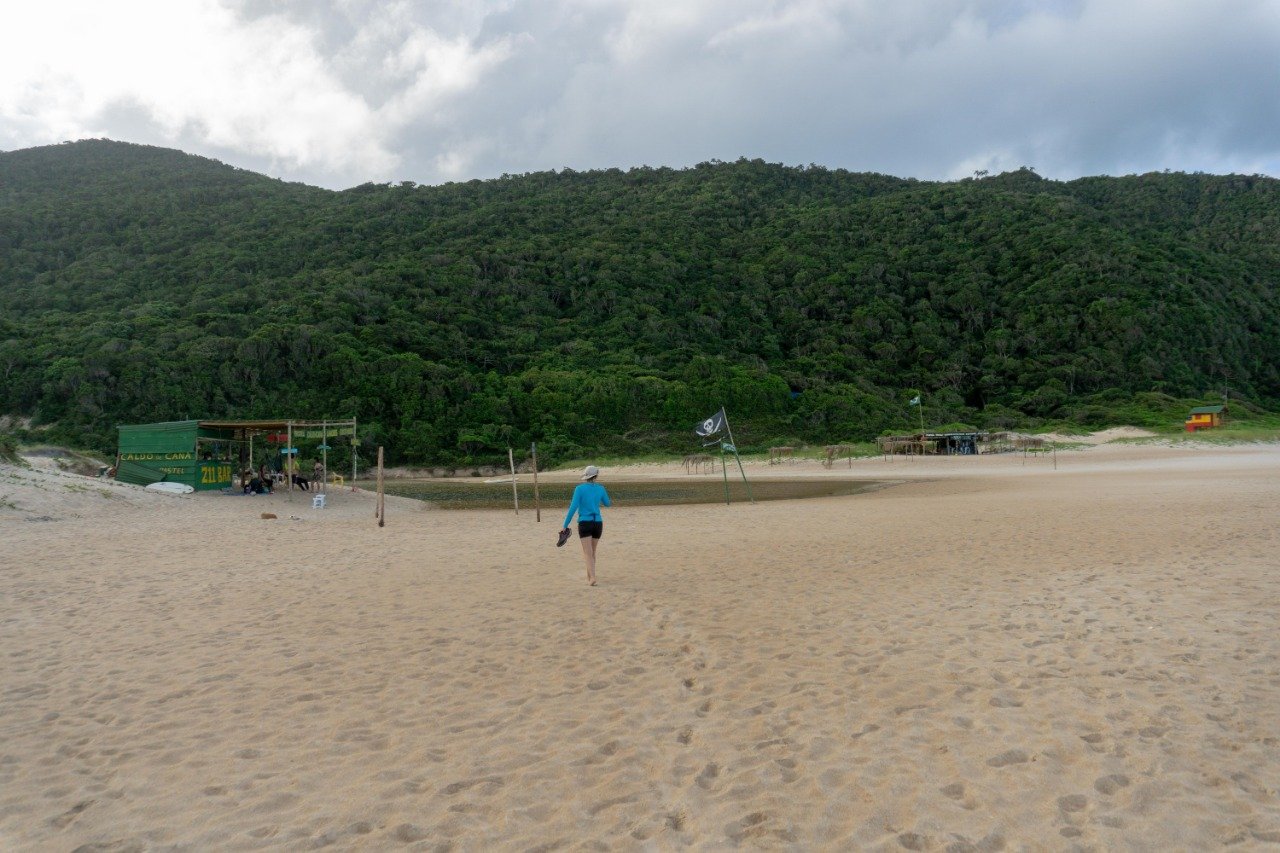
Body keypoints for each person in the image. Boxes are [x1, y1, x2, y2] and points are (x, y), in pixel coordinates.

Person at [562, 465, 611, 586]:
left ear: (586, 476)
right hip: (598, 523)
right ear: (596, 476)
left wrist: (565, 524)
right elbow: (608, 503)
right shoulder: (601, 488)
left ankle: (592, 577)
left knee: (587, 552)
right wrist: (597, 499)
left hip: (585, 523)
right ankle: (589, 576)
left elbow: (573, 508)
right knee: (592, 552)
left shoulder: (579, 489)